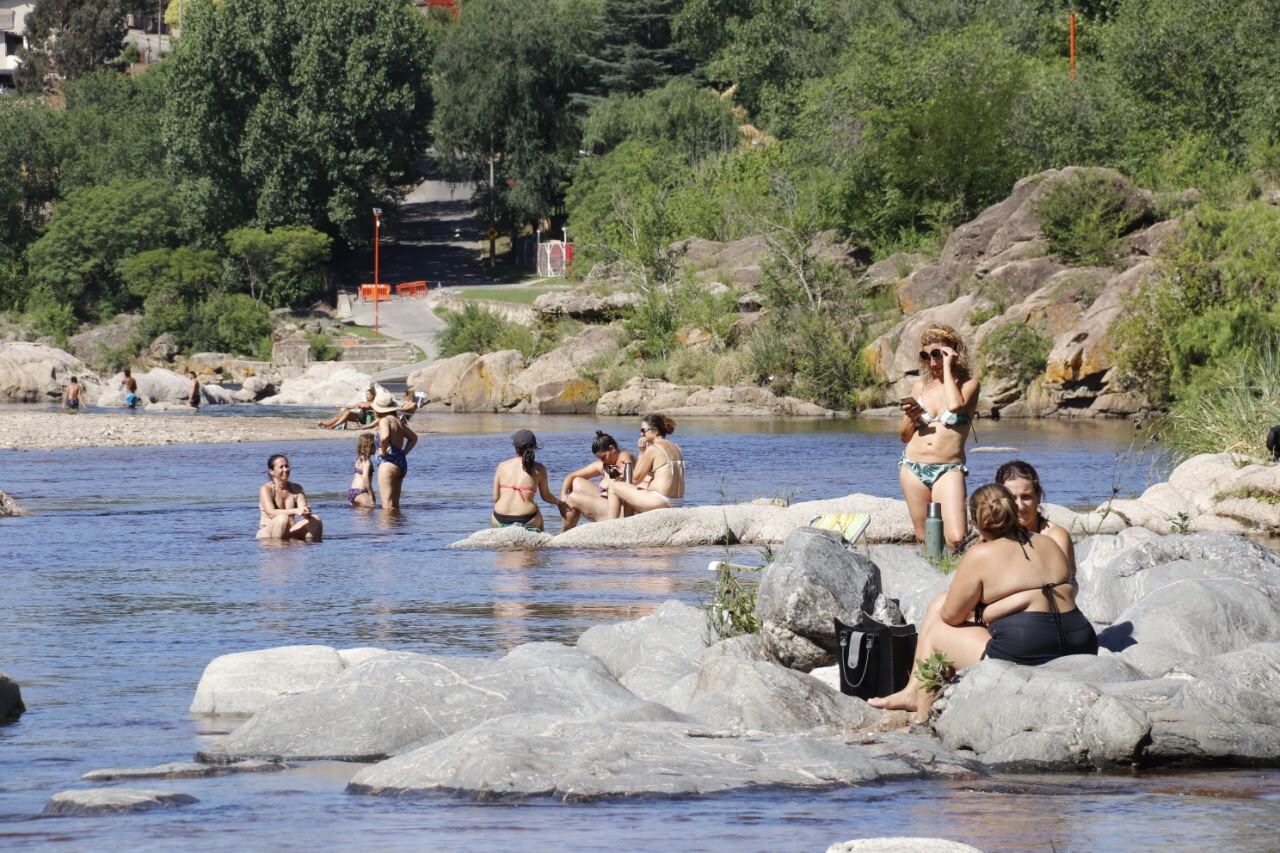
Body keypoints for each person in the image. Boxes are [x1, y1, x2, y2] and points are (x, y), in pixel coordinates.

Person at [870, 484, 1096, 713]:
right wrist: (993, 610)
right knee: (941, 600)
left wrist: (982, 612)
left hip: (1025, 649)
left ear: (975, 523)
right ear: (1012, 512)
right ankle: (912, 692)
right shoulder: (1047, 542)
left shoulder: (980, 554)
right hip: (1081, 640)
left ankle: (921, 715)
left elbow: (950, 616)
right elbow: (1047, 593)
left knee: (937, 628)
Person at [898, 324, 980, 550]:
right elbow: (904, 436)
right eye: (926, 356)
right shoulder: (919, 387)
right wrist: (911, 418)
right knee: (925, 537)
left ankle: (958, 574)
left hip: (948, 468)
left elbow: (955, 405)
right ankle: (935, 577)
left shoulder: (969, 385)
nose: (932, 361)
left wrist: (947, 367)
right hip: (913, 467)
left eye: (937, 354)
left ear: (954, 352)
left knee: (956, 537)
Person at [995, 460, 1077, 582]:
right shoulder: (992, 535)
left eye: (1026, 497)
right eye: (1012, 498)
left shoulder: (1055, 537)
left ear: (1038, 496)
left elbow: (1065, 585)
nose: (1020, 505)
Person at [605, 414, 685, 518]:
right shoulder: (676, 447)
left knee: (613, 486)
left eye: (643, 430)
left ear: (655, 431)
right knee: (636, 488)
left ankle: (610, 525)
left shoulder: (653, 449)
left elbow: (635, 479)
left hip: (660, 500)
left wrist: (642, 452)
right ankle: (626, 520)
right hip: (678, 501)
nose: (641, 434)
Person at [559, 431, 636, 531]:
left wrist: (618, 473)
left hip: (619, 511)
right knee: (576, 481)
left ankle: (564, 533)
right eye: (599, 458)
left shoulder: (623, 456)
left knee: (572, 498)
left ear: (612, 449)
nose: (603, 461)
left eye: (604, 457)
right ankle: (567, 531)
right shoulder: (603, 465)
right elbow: (571, 475)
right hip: (605, 503)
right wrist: (563, 495)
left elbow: (626, 472)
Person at [491, 429, 565, 530]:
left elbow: (495, 498)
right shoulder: (539, 468)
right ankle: (542, 541)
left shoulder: (502, 466)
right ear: (534, 447)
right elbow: (546, 497)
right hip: (526, 519)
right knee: (535, 506)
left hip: (499, 517)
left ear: (515, 447)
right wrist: (560, 502)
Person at [257, 454, 323, 541]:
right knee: (282, 518)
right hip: (268, 533)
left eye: (287, 466)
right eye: (281, 467)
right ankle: (278, 550)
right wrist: (295, 510)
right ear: (271, 471)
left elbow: (303, 511)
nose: (285, 469)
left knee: (316, 519)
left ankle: (309, 550)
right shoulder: (266, 489)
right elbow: (271, 513)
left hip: (290, 530)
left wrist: (306, 512)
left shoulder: (297, 488)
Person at [372, 389, 416, 510]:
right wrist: (403, 453)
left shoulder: (384, 420)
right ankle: (397, 528)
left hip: (387, 463)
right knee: (395, 506)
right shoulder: (398, 421)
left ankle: (386, 529)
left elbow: (385, 436)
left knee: (386, 506)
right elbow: (413, 438)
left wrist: (384, 451)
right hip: (401, 463)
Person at [348, 433, 376, 507]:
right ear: (369, 447)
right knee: (371, 507)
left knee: (360, 517)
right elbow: (365, 478)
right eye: (375, 445)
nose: (376, 448)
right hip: (361, 492)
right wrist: (371, 494)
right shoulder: (367, 462)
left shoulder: (359, 459)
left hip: (352, 491)